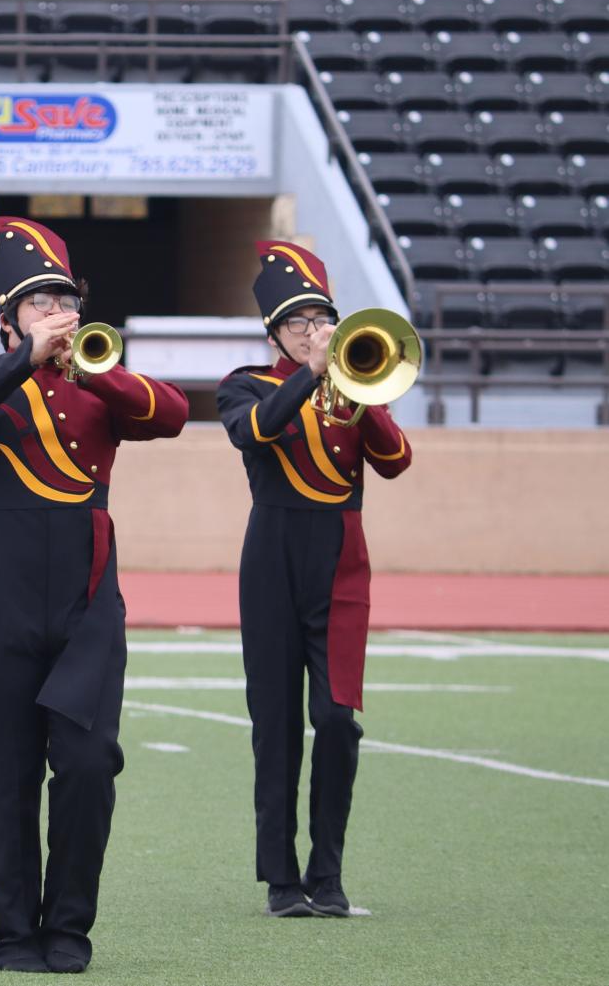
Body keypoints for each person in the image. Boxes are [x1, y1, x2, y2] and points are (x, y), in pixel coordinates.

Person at [0, 216, 188, 973]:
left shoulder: (98, 381)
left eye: (63, 298)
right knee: (6, 775)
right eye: (39, 300)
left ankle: (69, 924)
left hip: (86, 599)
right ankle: (14, 931)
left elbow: (170, 414)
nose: (56, 310)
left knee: (85, 765)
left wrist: (91, 368)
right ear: (7, 314)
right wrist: (24, 357)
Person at [215, 241, 414, 918]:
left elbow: (396, 461)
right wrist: (310, 371)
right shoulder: (247, 384)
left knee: (335, 720)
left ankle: (327, 871)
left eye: (321, 318)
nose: (313, 330)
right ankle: (280, 877)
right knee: (274, 724)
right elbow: (255, 433)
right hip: (270, 555)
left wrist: (363, 390)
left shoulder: (351, 386)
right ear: (273, 330)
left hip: (340, 559)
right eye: (298, 321)